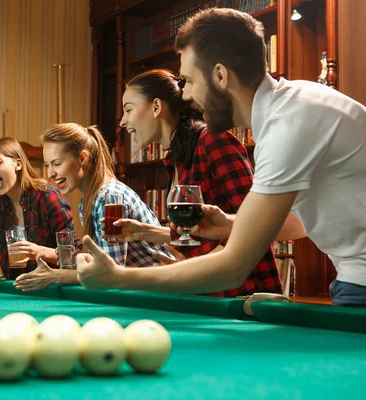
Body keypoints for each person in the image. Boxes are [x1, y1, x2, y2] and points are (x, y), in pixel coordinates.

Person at [76, 7, 366, 307]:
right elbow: (300, 222)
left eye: (188, 80)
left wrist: (117, 278)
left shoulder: (288, 123)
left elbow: (233, 267)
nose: (185, 95)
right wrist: (230, 223)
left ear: (220, 76)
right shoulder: (290, 106)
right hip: (352, 279)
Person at [115, 68, 282, 297]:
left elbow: (254, 225)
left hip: (243, 296)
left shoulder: (214, 140)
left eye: (128, 110)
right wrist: (145, 232)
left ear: (156, 107)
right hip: (206, 294)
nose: (123, 121)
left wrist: (185, 271)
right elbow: (200, 230)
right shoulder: (175, 160)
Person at [16, 123, 175, 292]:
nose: (50, 174)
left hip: (164, 294)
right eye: (48, 165)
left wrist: (55, 275)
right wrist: (44, 252)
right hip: (145, 291)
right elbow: (100, 262)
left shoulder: (108, 198)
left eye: (57, 163)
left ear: (83, 158)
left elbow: (107, 273)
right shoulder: (88, 200)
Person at [0, 136, 79, 286]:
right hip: (16, 294)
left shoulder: (47, 197)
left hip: (50, 292)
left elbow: (74, 256)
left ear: (18, 164)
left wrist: (39, 252)